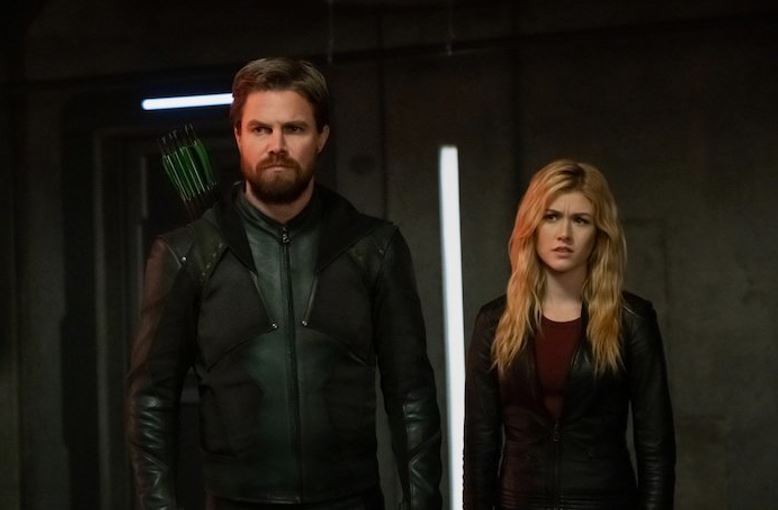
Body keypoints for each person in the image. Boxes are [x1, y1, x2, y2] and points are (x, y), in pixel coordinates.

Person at [126, 57, 442, 510]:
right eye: (261, 129)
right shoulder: (186, 253)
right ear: (238, 136)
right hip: (236, 502)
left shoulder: (374, 247)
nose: (277, 145)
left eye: (294, 129)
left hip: (350, 501)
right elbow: (151, 400)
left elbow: (411, 394)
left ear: (322, 137)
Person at [463, 159, 675, 509]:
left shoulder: (631, 320)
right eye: (551, 217)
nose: (564, 233)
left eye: (580, 220)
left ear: (599, 233)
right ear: (532, 225)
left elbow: (656, 450)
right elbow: (479, 448)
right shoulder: (494, 321)